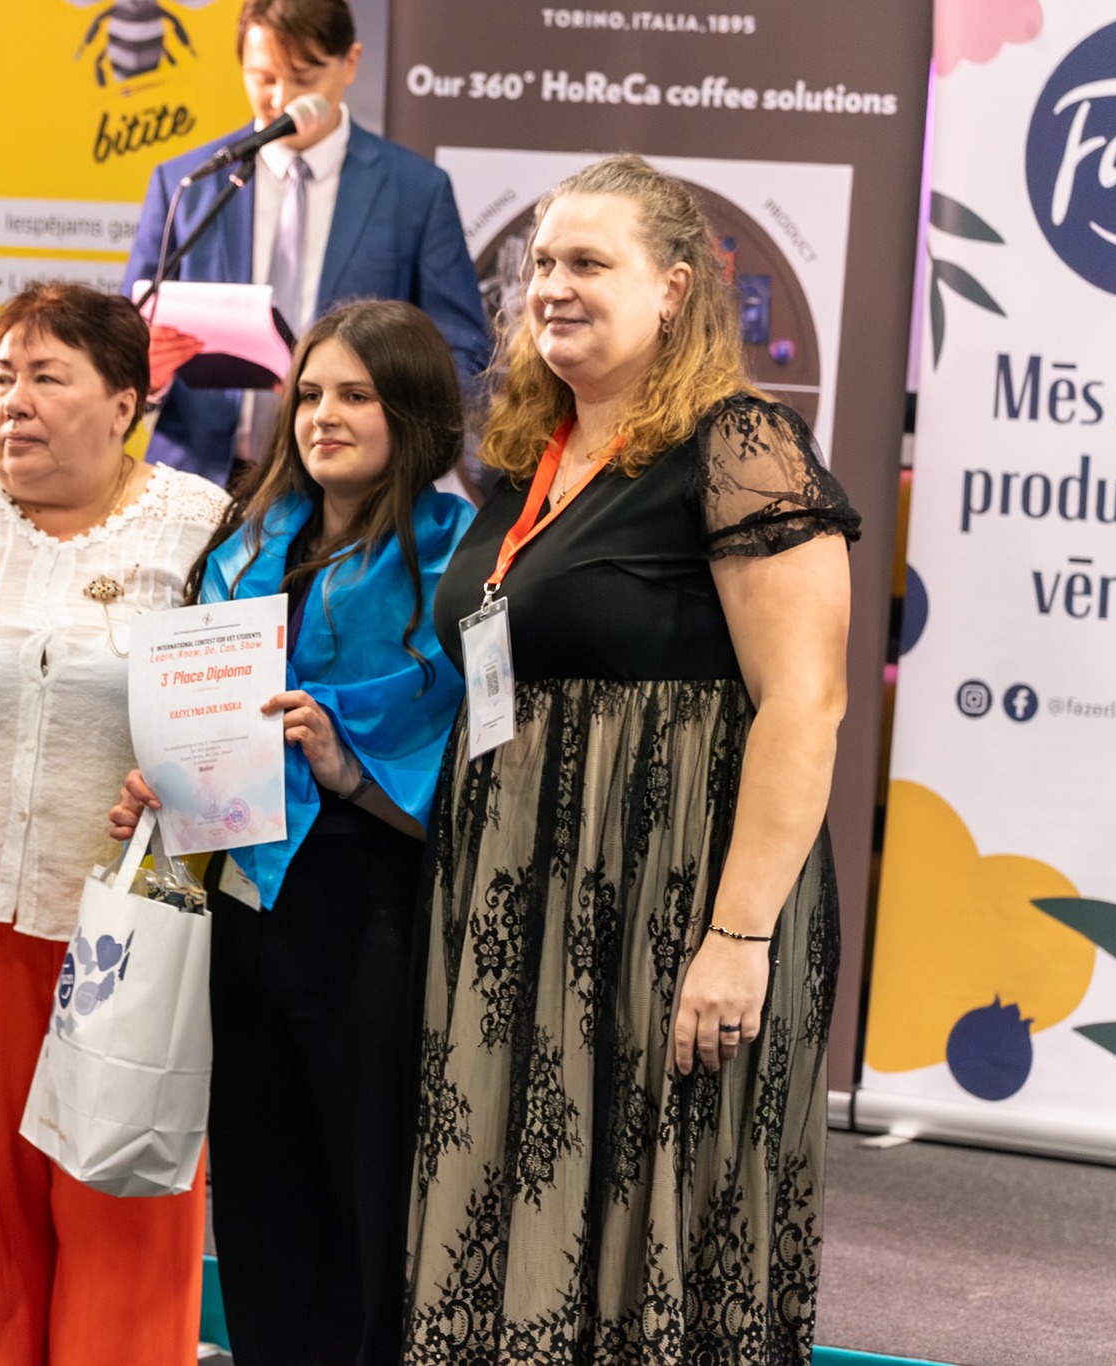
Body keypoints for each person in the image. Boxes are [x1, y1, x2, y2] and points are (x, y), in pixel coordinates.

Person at [404, 154, 860, 1361]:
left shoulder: (740, 443)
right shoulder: (526, 459)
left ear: (672, 289)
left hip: (671, 900)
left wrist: (737, 937)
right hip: (524, 908)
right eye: (540, 264)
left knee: (654, 1218)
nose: (551, 285)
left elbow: (803, 704)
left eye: (587, 263)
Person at [0, 283, 229, 1366]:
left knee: (122, 1243)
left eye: (46, 377)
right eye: (2, 375)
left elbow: (244, 724)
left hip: (126, 941)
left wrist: (190, 783)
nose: (11, 401)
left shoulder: (203, 527)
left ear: (123, 403)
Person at [108, 299, 473, 1366]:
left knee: (369, 1204)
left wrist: (348, 768)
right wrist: (161, 780)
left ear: (412, 412)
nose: (323, 416)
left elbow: (479, 773)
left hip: (374, 911)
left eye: (356, 395)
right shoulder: (247, 543)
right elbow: (198, 718)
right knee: (263, 1199)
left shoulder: (458, 561)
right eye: (309, 394)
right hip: (244, 905)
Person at [121, 0, 490, 488]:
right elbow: (122, 342)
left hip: (354, 485)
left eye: (304, 77)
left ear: (349, 63)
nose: (283, 99)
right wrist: (146, 374)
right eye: (264, 78)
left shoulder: (416, 190)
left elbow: (461, 352)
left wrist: (393, 419)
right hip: (198, 477)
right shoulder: (188, 182)